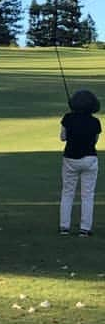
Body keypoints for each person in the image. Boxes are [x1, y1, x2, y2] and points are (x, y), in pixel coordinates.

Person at [59, 88, 101, 237]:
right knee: (87, 195)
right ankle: (85, 229)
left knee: (67, 193)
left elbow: (63, 137)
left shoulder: (67, 118)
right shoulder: (95, 122)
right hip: (89, 159)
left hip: (70, 158)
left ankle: (64, 227)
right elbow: (95, 141)